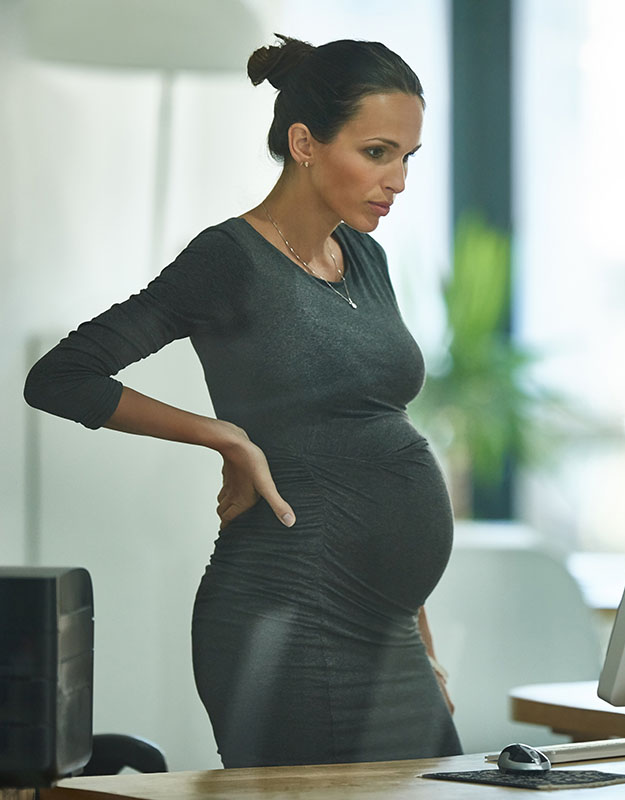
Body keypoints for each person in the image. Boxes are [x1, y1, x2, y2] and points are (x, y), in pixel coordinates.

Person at [24, 34, 462, 768]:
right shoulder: (228, 260)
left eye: (409, 157)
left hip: (388, 633)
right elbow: (61, 377)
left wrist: (422, 643)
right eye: (379, 152)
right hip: (290, 618)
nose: (400, 181)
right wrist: (226, 436)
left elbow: (370, 441)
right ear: (305, 144)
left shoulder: (365, 256)